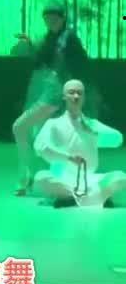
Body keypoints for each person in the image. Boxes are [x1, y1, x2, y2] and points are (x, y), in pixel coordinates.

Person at [11, 1, 91, 196]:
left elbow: (80, 66)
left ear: (63, 18)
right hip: (50, 93)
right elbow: (40, 61)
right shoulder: (51, 39)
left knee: (20, 127)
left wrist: (72, 95)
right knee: (40, 138)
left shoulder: (68, 38)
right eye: (47, 18)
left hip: (55, 96)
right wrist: (29, 44)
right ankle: (41, 177)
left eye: (54, 18)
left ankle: (26, 177)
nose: (51, 21)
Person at [34, 79, 126, 208]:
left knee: (121, 177)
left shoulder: (91, 124)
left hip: (89, 179)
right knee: (41, 177)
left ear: (84, 97)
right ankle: (90, 196)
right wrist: (68, 158)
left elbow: (118, 139)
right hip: (64, 177)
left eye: (79, 93)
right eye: (71, 92)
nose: (76, 96)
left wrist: (95, 132)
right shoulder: (53, 124)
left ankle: (74, 197)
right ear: (64, 96)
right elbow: (40, 147)